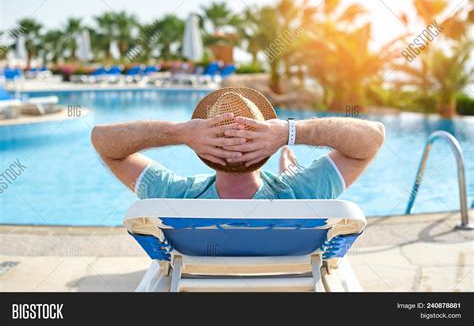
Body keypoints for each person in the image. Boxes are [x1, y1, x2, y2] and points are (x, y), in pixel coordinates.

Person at [91, 87, 385, 200]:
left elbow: (103, 142)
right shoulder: (303, 195)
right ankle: (288, 161)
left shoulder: (174, 196)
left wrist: (180, 132)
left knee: (289, 173)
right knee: (290, 174)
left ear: (204, 152)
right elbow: (373, 138)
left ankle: (288, 163)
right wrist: (287, 132)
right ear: (265, 149)